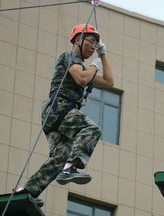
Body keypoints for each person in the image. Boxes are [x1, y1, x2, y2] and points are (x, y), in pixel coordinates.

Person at [15, 24, 114, 204]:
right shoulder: (69, 57)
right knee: (92, 129)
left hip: (55, 114)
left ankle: (27, 191)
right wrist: (94, 65)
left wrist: (103, 56)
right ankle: (70, 168)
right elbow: (82, 79)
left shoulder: (83, 66)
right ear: (78, 40)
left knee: (60, 158)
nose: (93, 47)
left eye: (95, 44)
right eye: (91, 42)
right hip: (59, 107)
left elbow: (109, 81)